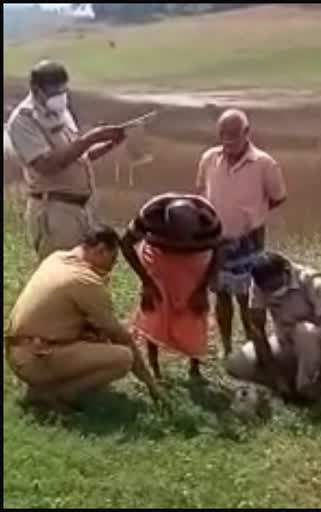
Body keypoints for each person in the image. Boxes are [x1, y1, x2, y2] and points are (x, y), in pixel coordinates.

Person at [4, 225, 160, 412]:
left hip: (19, 352)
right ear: (100, 249)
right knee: (123, 357)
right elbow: (120, 337)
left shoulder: (56, 258)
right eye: (112, 259)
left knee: (96, 336)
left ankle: (44, 385)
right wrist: (152, 386)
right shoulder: (84, 280)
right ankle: (53, 396)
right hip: (34, 359)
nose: (112, 267)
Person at [6, 60, 127, 261]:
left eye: (63, 89)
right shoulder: (23, 121)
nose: (60, 96)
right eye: (54, 91)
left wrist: (108, 144)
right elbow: (47, 165)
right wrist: (91, 137)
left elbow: (77, 157)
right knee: (62, 272)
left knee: (86, 271)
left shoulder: (61, 111)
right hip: (55, 213)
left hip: (81, 210)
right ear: (36, 89)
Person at [196, 109, 287, 357]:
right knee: (221, 296)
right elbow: (202, 191)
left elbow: (278, 197)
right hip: (216, 240)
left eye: (234, 137)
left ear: (247, 133)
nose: (228, 142)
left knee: (248, 299)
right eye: (223, 136)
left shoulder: (265, 163)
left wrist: (253, 214)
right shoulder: (208, 158)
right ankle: (226, 348)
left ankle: (253, 348)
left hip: (249, 241)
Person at [120, 193, 223, 380]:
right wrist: (147, 282)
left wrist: (202, 288)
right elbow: (126, 244)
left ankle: (195, 368)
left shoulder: (209, 219)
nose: (182, 241)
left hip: (194, 263)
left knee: (194, 313)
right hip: (159, 258)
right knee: (155, 310)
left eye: (186, 236)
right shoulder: (150, 214)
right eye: (177, 235)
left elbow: (219, 252)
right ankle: (154, 367)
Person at [224, 252, 321, 402]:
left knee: (305, 332)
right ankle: (286, 383)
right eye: (268, 289)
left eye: (275, 285)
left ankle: (308, 385)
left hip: (316, 341)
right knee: (236, 365)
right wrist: (276, 378)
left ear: (286, 271)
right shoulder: (259, 285)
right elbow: (257, 331)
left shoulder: (313, 283)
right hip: (285, 340)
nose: (272, 291)